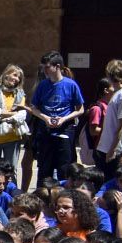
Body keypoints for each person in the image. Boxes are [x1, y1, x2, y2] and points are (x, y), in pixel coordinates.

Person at [27, 52, 85, 187]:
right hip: (46, 132)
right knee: (44, 169)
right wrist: (45, 118)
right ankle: (43, 197)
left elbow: (80, 109)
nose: (44, 70)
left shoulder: (70, 85)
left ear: (57, 66)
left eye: (47, 67)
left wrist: (64, 119)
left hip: (64, 132)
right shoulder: (43, 85)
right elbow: (34, 108)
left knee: (63, 169)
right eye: (43, 67)